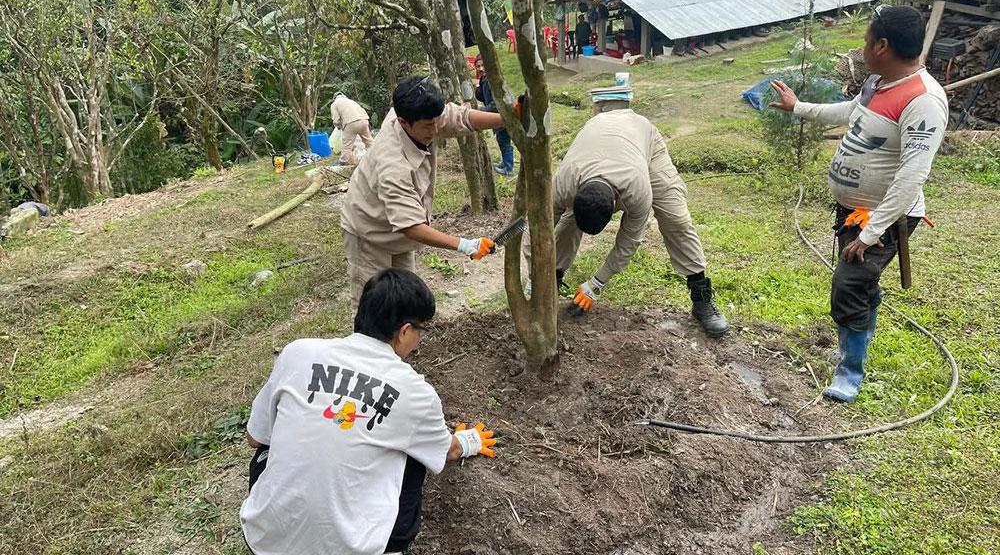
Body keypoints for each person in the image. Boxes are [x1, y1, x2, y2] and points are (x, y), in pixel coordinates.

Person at [240, 268, 497, 555]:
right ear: (404, 332)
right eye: (421, 330)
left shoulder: (298, 353)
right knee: (414, 457)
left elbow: (255, 437)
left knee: (273, 437)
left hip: (266, 540)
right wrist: (467, 441)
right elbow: (446, 451)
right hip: (352, 548)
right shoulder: (415, 392)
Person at [769, 5, 948, 403]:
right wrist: (799, 108)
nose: (862, 47)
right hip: (852, 211)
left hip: (883, 219)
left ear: (882, 45)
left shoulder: (924, 102)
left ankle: (850, 371)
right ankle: (858, 338)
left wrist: (869, 235)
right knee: (859, 284)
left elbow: (911, 177)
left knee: (847, 284)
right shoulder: (877, 82)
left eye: (866, 41)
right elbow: (851, 112)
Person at [530, 99, 730, 337]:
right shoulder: (563, 184)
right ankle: (551, 282)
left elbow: (628, 242)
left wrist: (596, 284)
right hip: (598, 133)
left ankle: (700, 295)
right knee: (570, 220)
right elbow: (538, 227)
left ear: (617, 204)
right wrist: (534, 277)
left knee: (675, 218)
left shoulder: (638, 190)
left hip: (643, 139)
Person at [340, 76, 505, 306]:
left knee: (406, 297)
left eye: (436, 121)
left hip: (397, 234)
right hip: (369, 231)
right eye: (428, 126)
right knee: (373, 306)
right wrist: (464, 244)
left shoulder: (419, 111)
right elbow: (411, 226)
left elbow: (461, 117)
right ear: (403, 122)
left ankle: (404, 340)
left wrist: (506, 118)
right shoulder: (392, 164)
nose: (436, 129)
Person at [473, 54, 515, 176]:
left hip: (503, 117)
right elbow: (482, 96)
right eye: (478, 66)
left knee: (505, 142)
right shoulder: (484, 78)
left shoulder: (493, 80)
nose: (480, 68)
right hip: (498, 118)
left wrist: (480, 111)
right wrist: (476, 89)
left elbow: (495, 105)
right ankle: (505, 163)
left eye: (482, 65)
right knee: (501, 141)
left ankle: (509, 169)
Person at [330, 93, 374, 165]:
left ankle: (343, 161)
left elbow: (336, 119)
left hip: (351, 122)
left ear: (334, 99)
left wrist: (338, 126)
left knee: (347, 144)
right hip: (364, 120)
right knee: (369, 141)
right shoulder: (351, 101)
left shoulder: (334, 104)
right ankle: (376, 155)